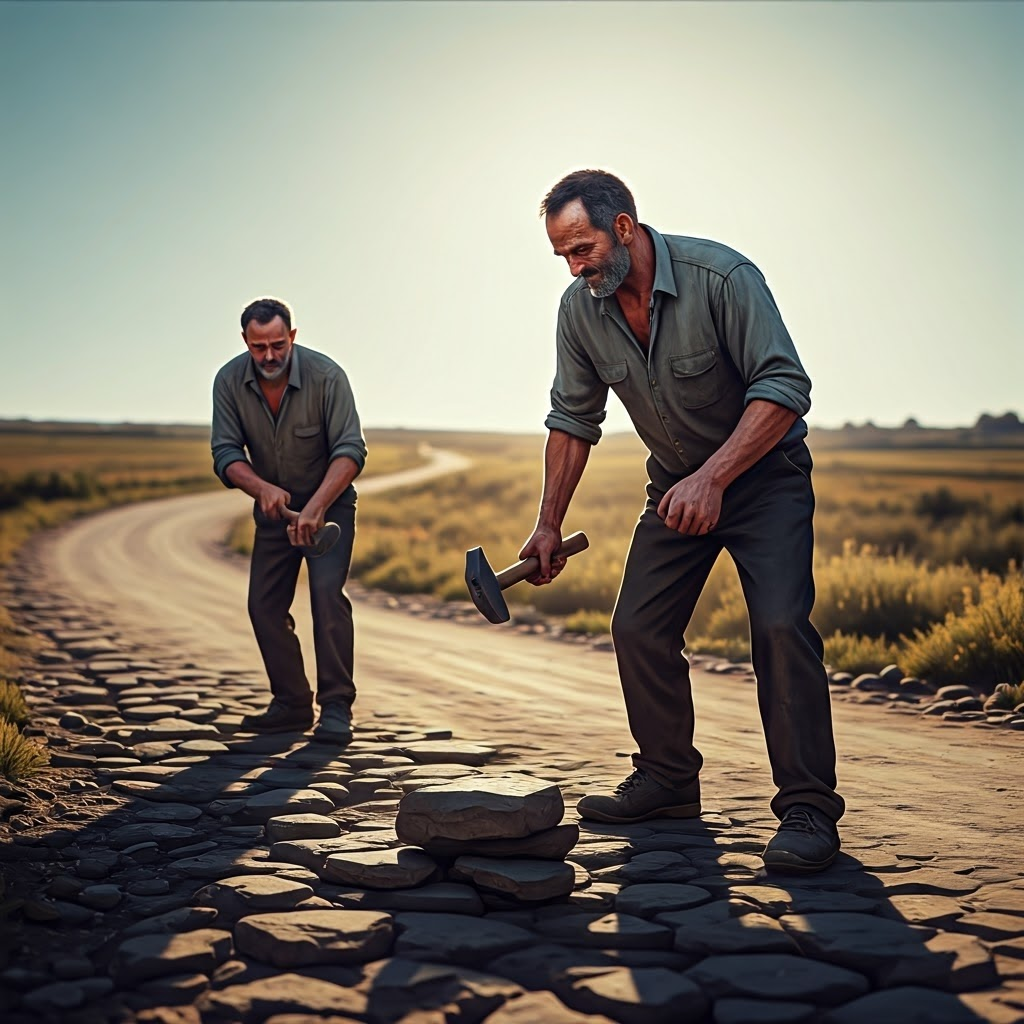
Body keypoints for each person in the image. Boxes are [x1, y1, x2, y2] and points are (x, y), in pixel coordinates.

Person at [519, 170, 844, 873]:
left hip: (765, 480)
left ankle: (808, 808)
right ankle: (667, 779)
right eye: (564, 257)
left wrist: (716, 476)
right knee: (637, 626)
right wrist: (548, 524)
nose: (576, 268)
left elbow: (785, 387)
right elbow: (574, 420)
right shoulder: (580, 310)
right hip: (674, 488)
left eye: (583, 249)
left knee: (781, 627)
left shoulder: (722, 277)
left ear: (625, 228)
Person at [211, 297, 366, 743]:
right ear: (245, 341)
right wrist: (261, 488)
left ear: (292, 336)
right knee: (263, 606)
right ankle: (292, 703)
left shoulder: (327, 376)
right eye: (259, 347)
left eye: (278, 344)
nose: (270, 356)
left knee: (325, 596)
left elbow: (351, 450)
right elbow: (224, 453)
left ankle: (336, 708)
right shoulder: (228, 381)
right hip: (272, 510)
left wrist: (316, 506)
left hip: (330, 506)